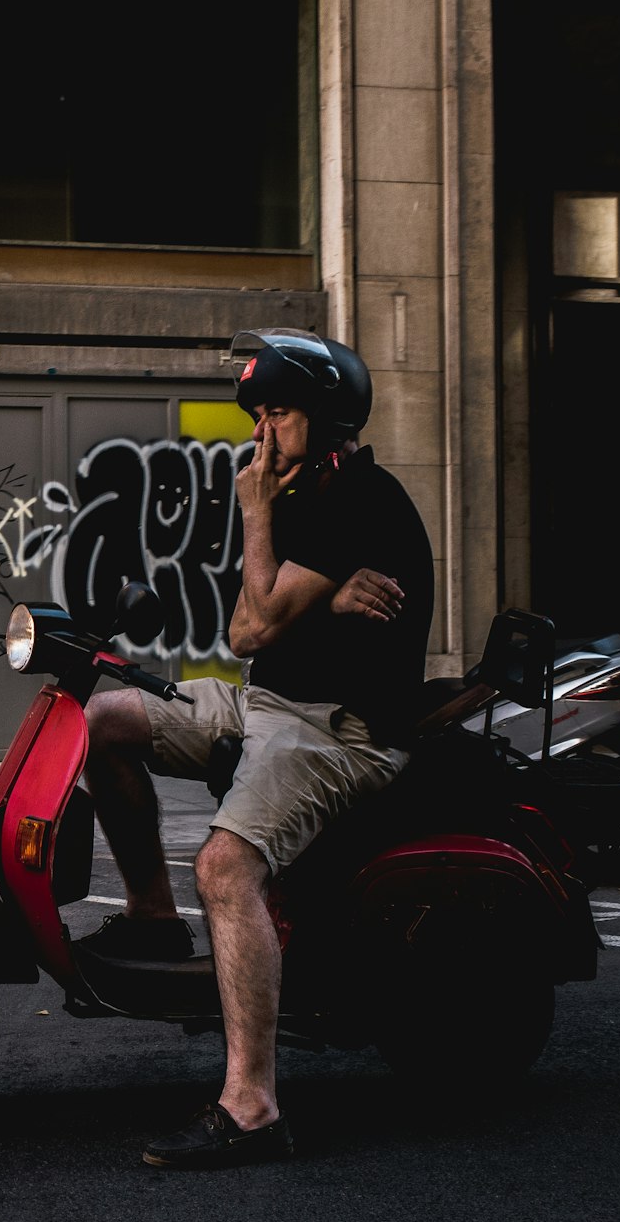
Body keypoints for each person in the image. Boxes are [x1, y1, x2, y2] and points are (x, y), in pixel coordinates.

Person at [81, 328, 434, 1169]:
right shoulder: (307, 498)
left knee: (226, 868)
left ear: (328, 416)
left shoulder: (362, 498)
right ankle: (152, 919)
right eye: (260, 412)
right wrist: (291, 570)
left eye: (278, 411)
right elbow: (246, 630)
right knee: (103, 721)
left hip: (338, 728)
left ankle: (253, 1104)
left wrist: (255, 516)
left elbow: (261, 619)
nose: (261, 431)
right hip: (270, 701)